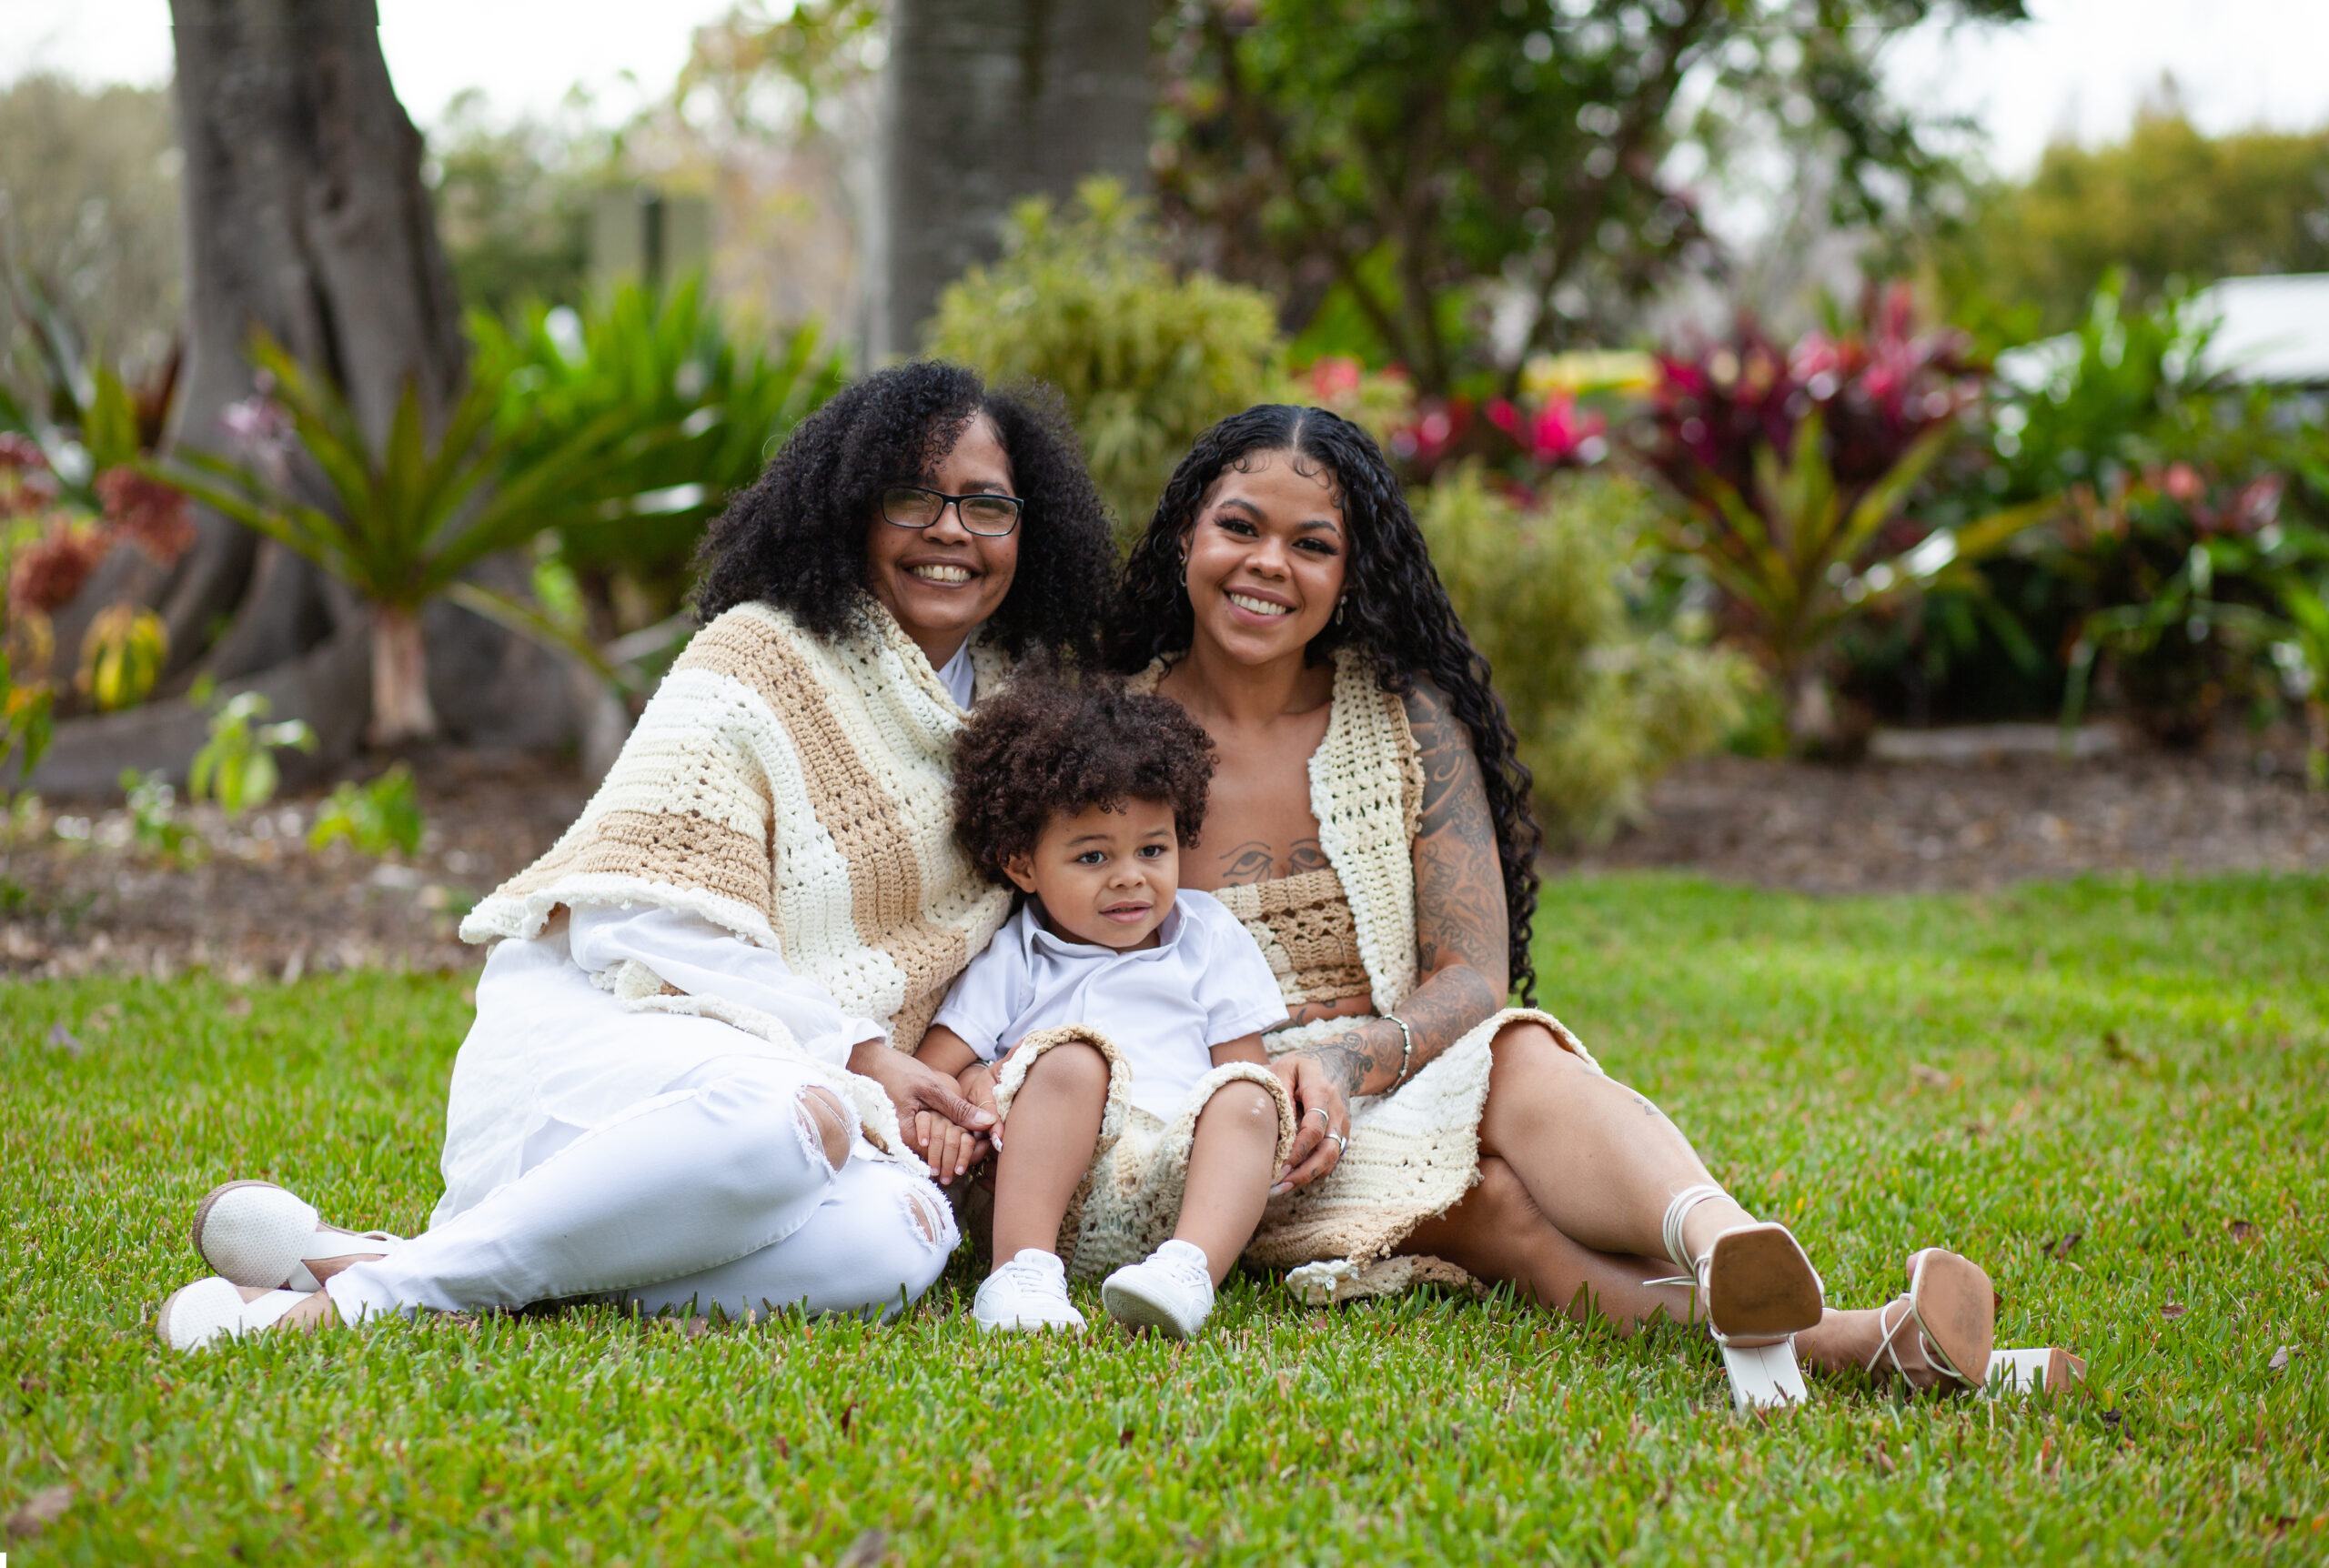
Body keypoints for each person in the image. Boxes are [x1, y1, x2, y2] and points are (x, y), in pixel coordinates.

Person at [155, 363, 1119, 1352]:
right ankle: (362, 1304)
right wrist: (863, 1052)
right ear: (849, 510)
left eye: (988, 506)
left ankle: (375, 1260)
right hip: (630, 1037)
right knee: (783, 1117)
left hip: (828, 1107)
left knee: (902, 1241)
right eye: (914, 496)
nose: (952, 530)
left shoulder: (1029, 714)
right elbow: (640, 919)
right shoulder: (755, 657)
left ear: (1026, 529)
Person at [1109, 405, 2010, 1407]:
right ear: (1187, 529)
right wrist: (1280, 1080)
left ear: (1349, 574)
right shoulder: (1111, 737)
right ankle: (1857, 1340)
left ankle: (1724, 1241)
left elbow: (1472, 976)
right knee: (1490, 1201)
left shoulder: (1402, 721)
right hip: (1234, 1123)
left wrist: (1350, 1054)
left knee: (1519, 1047)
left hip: (1390, 1066)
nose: (1268, 562)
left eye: (1311, 543)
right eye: (1240, 527)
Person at [912, 674, 1295, 1338]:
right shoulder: (1018, 953)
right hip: (1045, 1188)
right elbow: (934, 1072)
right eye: (1093, 856)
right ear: (1023, 866)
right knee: (1073, 1060)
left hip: (1174, 1188)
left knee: (1250, 1096)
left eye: (1153, 849)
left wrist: (1250, 1114)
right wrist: (978, 1084)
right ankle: (1021, 1274)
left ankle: (1186, 1272)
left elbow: (1247, 1078)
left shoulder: (1207, 936)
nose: (1130, 877)